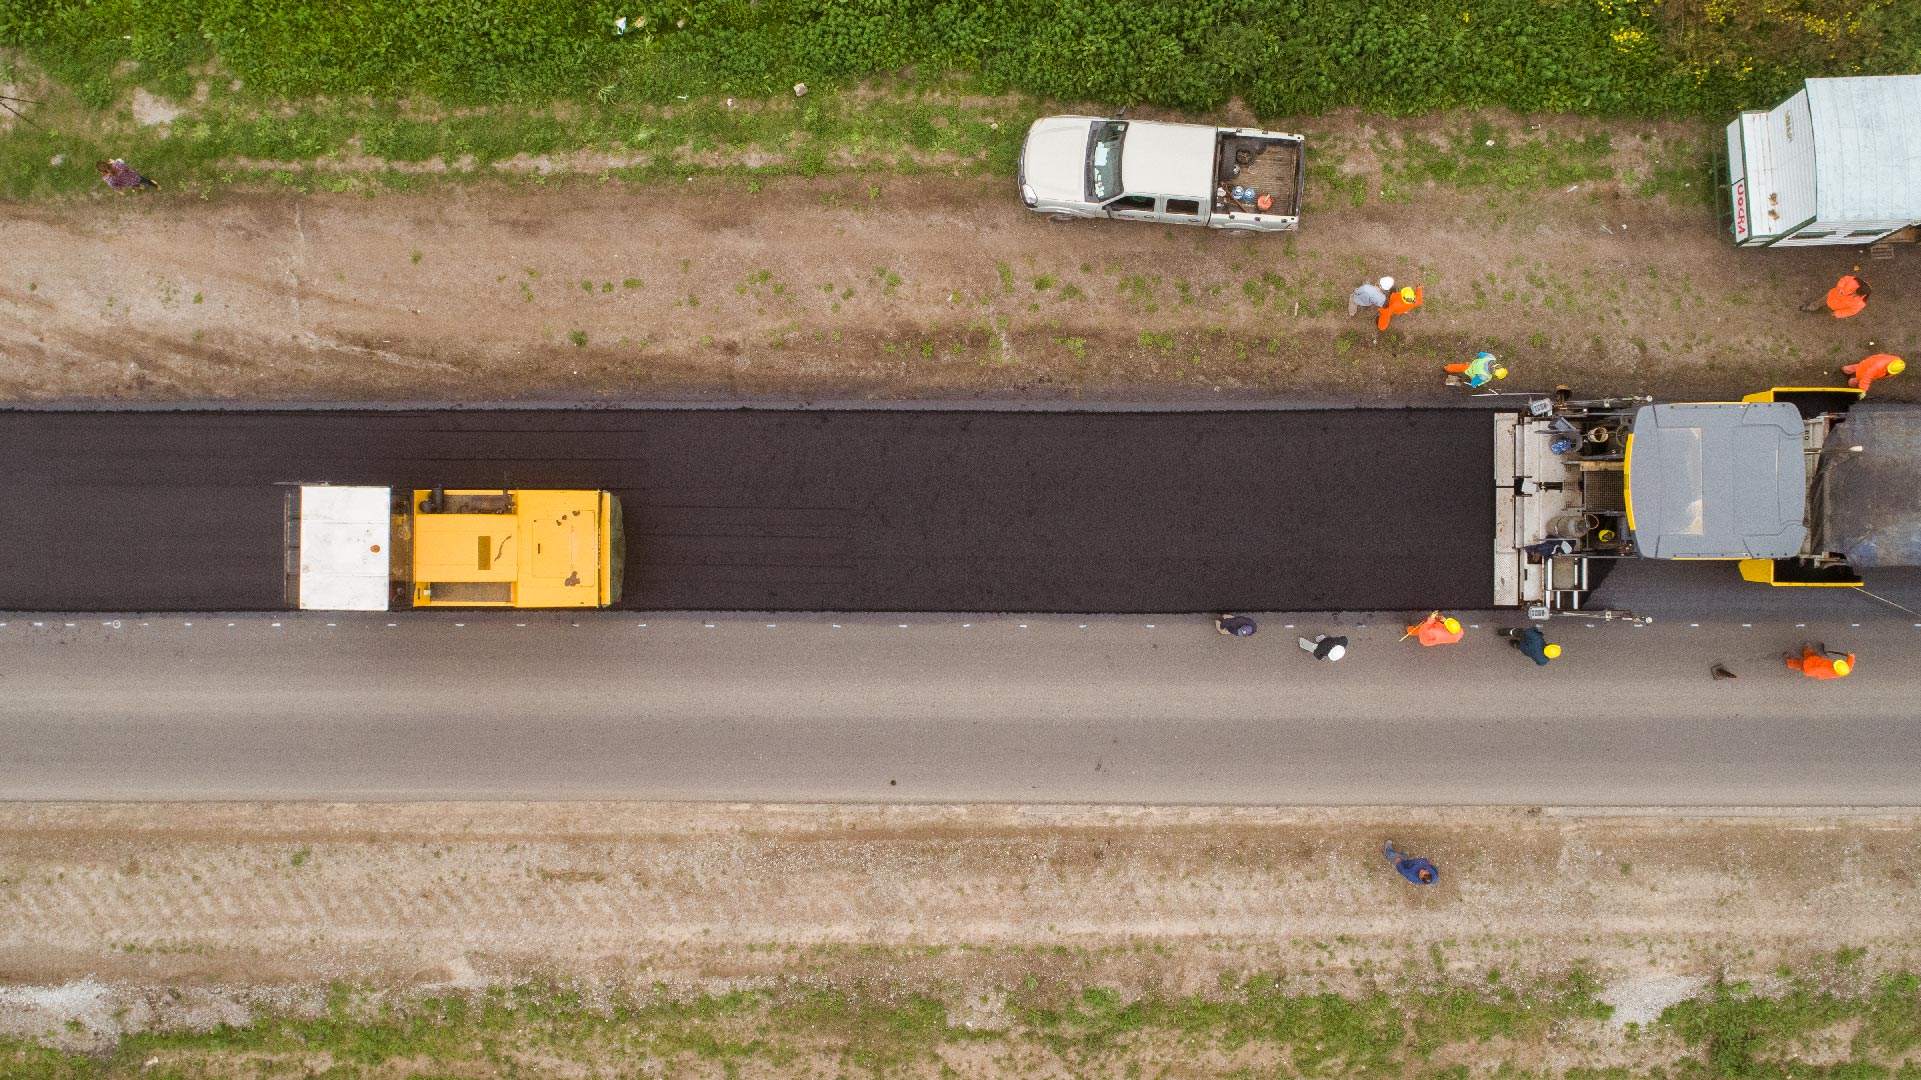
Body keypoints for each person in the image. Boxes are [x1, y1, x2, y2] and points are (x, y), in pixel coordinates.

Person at [1786, 645, 1854, 679]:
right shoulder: (1844, 670)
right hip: (1817, 660)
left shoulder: (1826, 670)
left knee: (1797, 663)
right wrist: (1851, 656)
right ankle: (1807, 650)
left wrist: (1807, 672)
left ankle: (1789, 662)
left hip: (1808, 665)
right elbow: (1850, 664)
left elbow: (1814, 671)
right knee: (1812, 655)